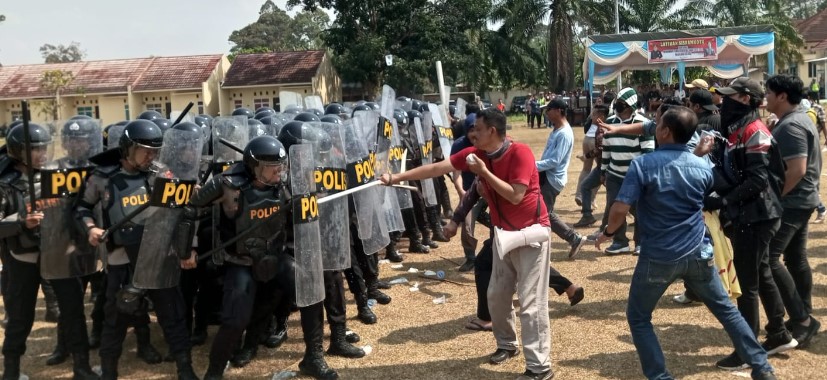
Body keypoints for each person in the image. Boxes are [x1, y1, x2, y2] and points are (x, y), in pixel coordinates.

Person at [595, 106, 777, 380]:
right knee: (727, 311)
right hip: (698, 253)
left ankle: (660, 375)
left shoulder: (642, 164)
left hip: (658, 256)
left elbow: (620, 208)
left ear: (665, 132)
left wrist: (608, 233)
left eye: (657, 124)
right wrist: (699, 156)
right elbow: (688, 175)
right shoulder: (702, 166)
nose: (654, 127)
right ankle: (761, 367)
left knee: (639, 317)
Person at [382, 108, 554, 380]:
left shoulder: (519, 153)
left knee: (532, 304)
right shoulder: (477, 154)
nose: (472, 133)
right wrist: (395, 179)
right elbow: (438, 168)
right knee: (496, 296)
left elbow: (516, 196)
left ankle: (540, 367)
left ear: (492, 132)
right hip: (503, 237)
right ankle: (507, 345)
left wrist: (484, 172)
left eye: (478, 129)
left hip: (531, 235)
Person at [75, 120, 198, 379]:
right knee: (116, 318)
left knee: (172, 315)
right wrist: (90, 229)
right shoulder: (103, 177)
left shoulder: (161, 174)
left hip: (158, 255)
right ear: (128, 148)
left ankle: (185, 370)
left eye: (155, 151)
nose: (150, 156)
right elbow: (82, 208)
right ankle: (109, 372)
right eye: (144, 150)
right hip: (122, 259)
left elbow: (179, 212)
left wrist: (189, 194)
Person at [697, 77, 798, 369]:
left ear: (744, 99)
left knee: (748, 283)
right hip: (752, 214)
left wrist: (723, 201)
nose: (723, 102)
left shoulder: (755, 130)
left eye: (729, 96)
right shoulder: (738, 129)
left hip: (757, 215)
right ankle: (778, 333)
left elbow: (757, 179)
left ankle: (747, 350)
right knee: (762, 272)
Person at [764, 74, 821, 348]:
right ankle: (804, 315)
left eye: (769, 92)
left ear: (782, 96)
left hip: (792, 202)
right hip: (802, 200)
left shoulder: (792, 126)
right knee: (795, 258)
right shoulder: (794, 121)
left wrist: (774, 197)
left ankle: (802, 318)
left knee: (769, 258)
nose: (766, 97)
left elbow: (796, 170)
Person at [597, 87, 653, 255]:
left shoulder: (643, 123)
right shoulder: (610, 121)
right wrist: (603, 170)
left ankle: (640, 242)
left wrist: (646, 177)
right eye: (617, 103)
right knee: (614, 207)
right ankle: (620, 242)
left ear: (630, 106)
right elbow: (606, 149)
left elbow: (648, 153)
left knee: (639, 209)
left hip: (636, 176)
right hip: (614, 174)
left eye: (621, 104)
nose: (617, 106)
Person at [536, 98, 586, 257]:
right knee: (543, 212)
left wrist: (533, 165)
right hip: (547, 177)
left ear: (558, 111)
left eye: (548, 109)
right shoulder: (557, 130)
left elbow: (555, 161)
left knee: (542, 214)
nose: (546, 113)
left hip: (552, 180)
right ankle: (573, 238)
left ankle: (572, 238)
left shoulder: (564, 133)